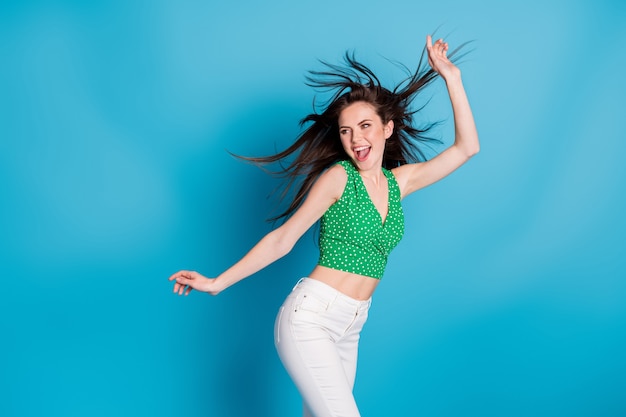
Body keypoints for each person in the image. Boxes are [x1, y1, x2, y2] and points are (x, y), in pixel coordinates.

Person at [169, 35, 479, 417]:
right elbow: (284, 239)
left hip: (351, 325)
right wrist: (218, 283)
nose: (355, 138)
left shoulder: (401, 183)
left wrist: (451, 76)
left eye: (365, 126)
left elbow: (467, 148)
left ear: (387, 128)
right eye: (346, 131)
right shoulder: (338, 178)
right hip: (310, 318)